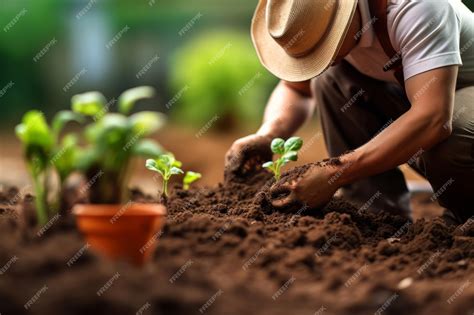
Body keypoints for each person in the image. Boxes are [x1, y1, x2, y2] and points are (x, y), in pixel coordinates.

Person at [224, 0, 474, 224]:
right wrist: (268, 135)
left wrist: (335, 173)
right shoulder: (327, 22)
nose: (319, 59)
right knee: (331, 80)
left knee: (452, 136)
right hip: (425, 100)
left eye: (322, 48)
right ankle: (377, 218)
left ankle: (465, 220)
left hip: (456, 99)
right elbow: (297, 90)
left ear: (342, 19)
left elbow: (433, 119)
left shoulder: (418, 9)